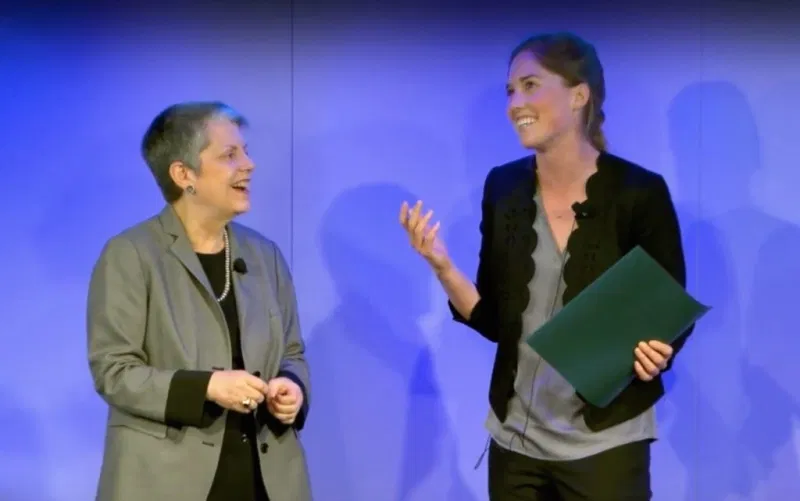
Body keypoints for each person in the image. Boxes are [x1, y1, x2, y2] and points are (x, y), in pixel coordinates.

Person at [400, 32, 693, 500]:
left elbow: (668, 315)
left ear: (579, 95)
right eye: (511, 91)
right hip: (516, 444)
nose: (516, 102)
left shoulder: (639, 192)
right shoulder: (504, 188)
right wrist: (441, 265)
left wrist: (659, 351)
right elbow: (496, 320)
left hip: (607, 442)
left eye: (531, 85)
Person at [87, 102, 312, 501]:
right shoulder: (130, 254)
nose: (250, 164)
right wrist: (207, 387)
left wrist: (291, 389)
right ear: (184, 174)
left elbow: (292, 351)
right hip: (165, 480)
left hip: (265, 479)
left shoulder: (265, 255)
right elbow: (114, 372)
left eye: (245, 151)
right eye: (230, 155)